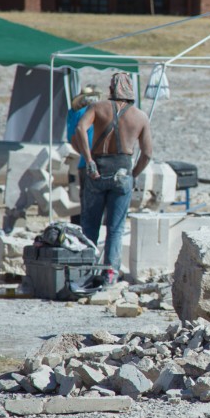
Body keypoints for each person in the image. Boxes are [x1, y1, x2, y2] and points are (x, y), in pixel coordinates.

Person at [75, 72, 153, 285]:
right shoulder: (140, 117)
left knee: (90, 225)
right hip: (123, 173)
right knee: (115, 228)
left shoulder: (98, 108)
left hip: (97, 170)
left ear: (111, 89)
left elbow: (80, 128)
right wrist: (133, 175)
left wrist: (89, 159)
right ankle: (110, 274)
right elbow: (147, 154)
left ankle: (85, 271)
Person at [66, 85, 99, 225]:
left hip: (84, 161)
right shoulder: (102, 112)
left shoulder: (75, 113)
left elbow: (71, 138)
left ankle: (82, 228)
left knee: (84, 197)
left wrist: (84, 153)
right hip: (102, 160)